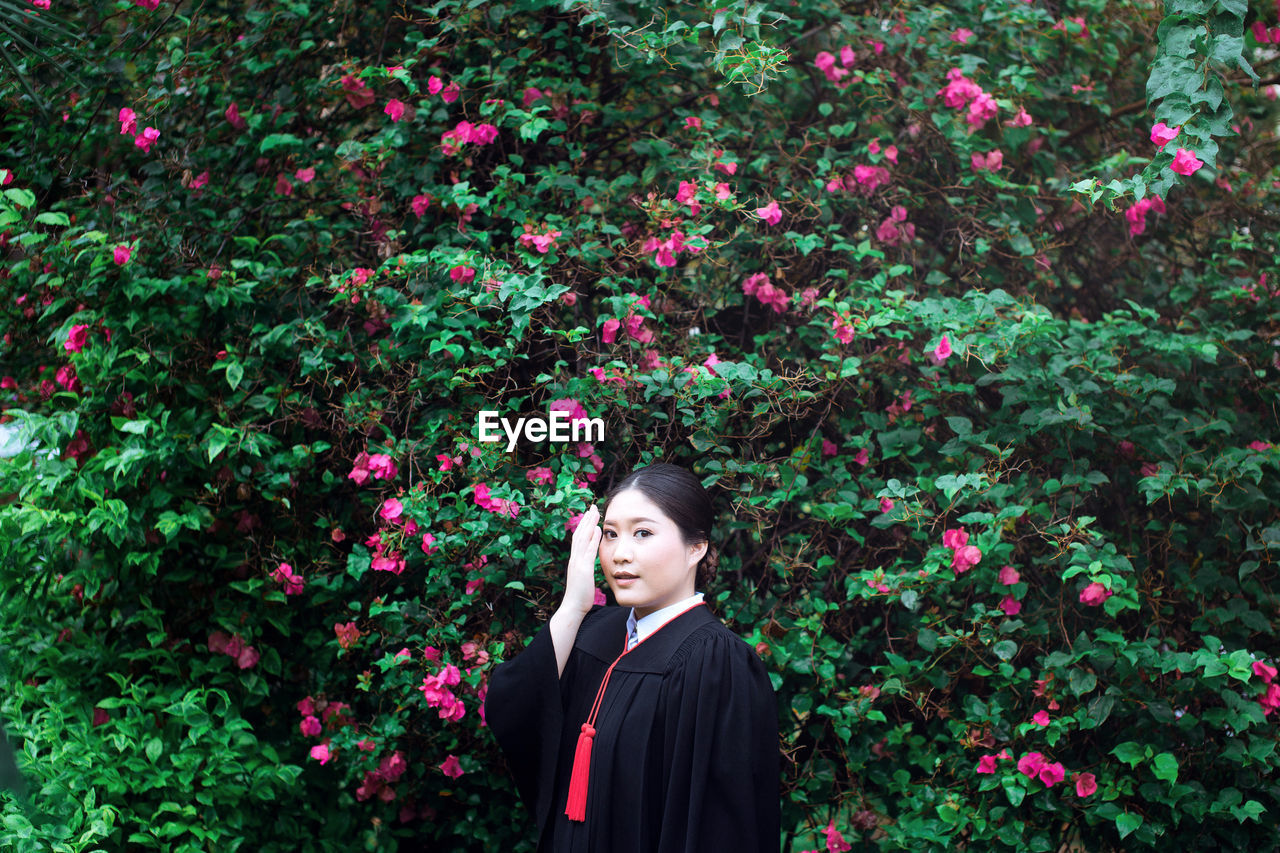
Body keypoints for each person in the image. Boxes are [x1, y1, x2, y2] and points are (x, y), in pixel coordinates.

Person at [484, 462, 781, 852]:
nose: (620, 554)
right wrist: (573, 607)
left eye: (642, 533)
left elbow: (720, 828)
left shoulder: (716, 664)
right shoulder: (594, 633)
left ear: (696, 547)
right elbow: (512, 712)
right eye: (610, 535)